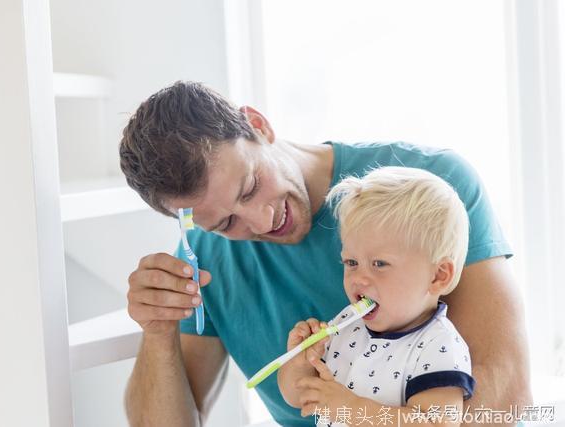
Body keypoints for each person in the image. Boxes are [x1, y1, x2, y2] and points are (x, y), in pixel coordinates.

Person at [119, 81, 531, 427]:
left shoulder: (430, 191)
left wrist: (357, 413)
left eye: (250, 186)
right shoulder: (205, 260)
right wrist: (157, 332)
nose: (262, 222)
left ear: (259, 126)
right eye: (226, 224)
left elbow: (508, 396)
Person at [278, 167, 474, 426]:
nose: (358, 278)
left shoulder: (438, 344)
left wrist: (351, 407)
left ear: (438, 276)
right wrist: (300, 361)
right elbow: (299, 397)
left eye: (379, 264)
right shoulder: (347, 323)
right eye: (351, 262)